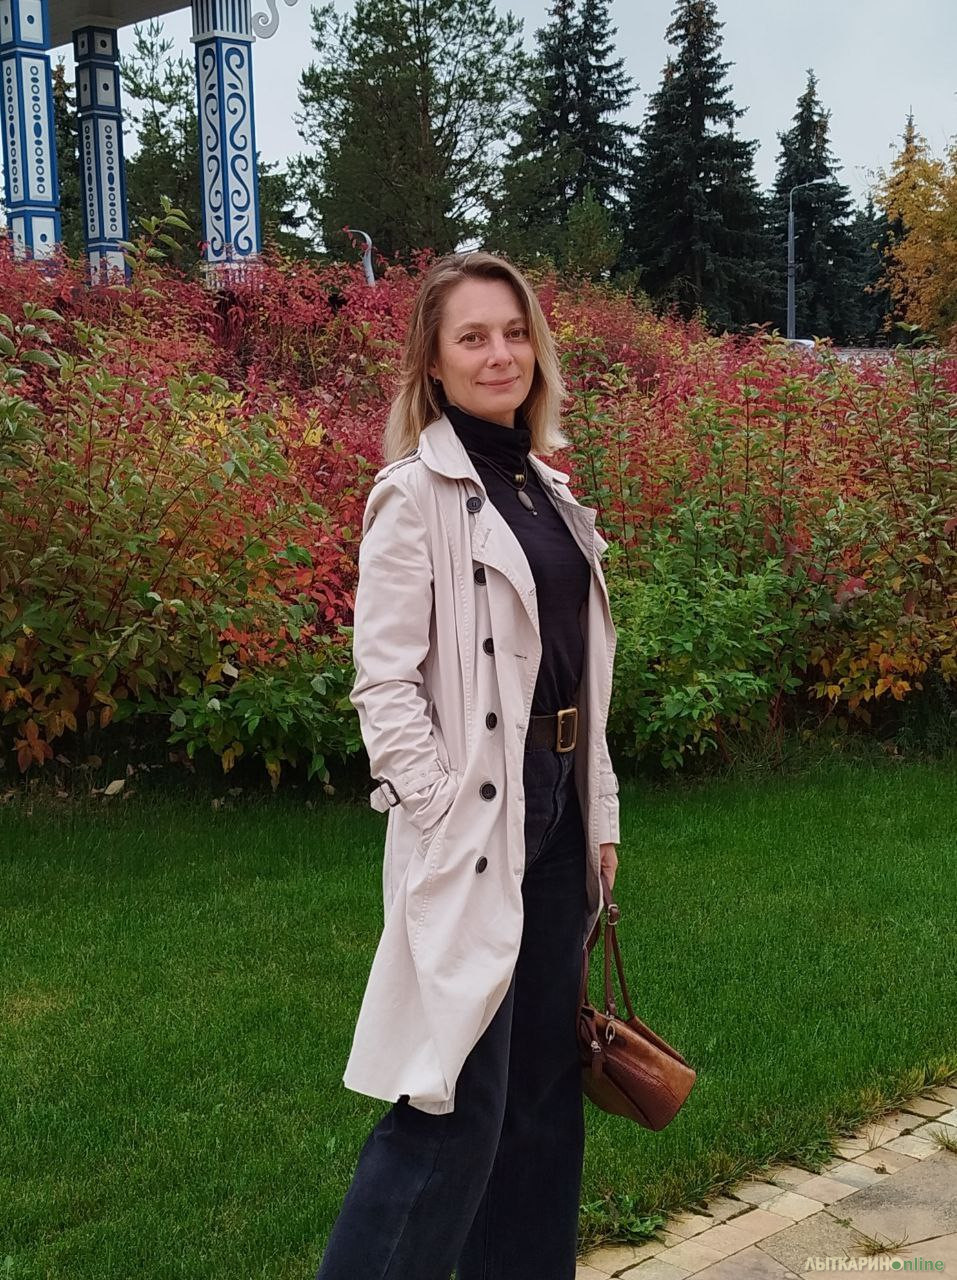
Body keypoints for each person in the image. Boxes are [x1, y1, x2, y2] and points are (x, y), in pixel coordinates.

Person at [315, 250, 620, 1280]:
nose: (501, 355)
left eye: (515, 332)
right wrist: (442, 809)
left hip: (559, 812)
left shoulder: (547, 491)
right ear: (434, 363)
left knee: (541, 1099)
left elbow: (581, 672)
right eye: (473, 337)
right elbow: (383, 684)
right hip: (478, 821)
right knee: (453, 1101)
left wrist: (599, 815)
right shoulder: (416, 495)